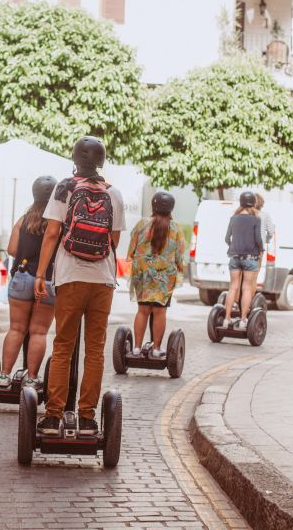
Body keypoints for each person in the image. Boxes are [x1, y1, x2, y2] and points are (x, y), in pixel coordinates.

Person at [34, 137, 126, 437]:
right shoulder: (114, 194)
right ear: (101, 162)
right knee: (95, 351)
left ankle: (53, 416)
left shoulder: (64, 188)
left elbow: (51, 234)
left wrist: (39, 275)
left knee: (63, 347)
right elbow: (113, 242)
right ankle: (87, 418)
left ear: (75, 159)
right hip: (102, 280)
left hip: (70, 276)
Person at [0, 176, 59, 389]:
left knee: (16, 328)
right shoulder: (57, 223)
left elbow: (12, 250)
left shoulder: (23, 220)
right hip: (48, 280)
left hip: (22, 277)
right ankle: (32, 378)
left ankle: (4, 376)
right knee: (39, 332)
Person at [126, 191, 185, 359]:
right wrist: (178, 267)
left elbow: (131, 251)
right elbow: (180, 257)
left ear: (153, 205)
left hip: (143, 273)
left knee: (143, 310)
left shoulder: (142, 224)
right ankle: (156, 348)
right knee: (159, 312)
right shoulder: (175, 228)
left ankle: (136, 348)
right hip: (165, 276)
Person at [222, 191, 263, 329]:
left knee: (233, 287)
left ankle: (226, 319)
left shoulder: (233, 218)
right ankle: (243, 320)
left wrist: (234, 247)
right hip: (250, 258)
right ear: (253, 203)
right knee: (246, 288)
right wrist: (260, 250)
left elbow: (227, 238)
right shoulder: (256, 219)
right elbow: (258, 239)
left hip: (234, 257)